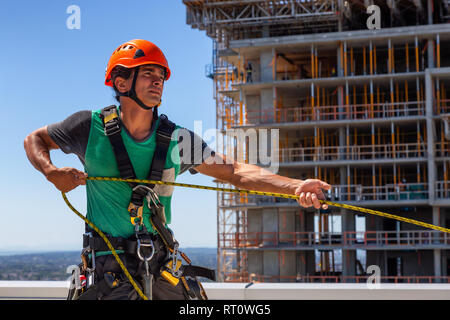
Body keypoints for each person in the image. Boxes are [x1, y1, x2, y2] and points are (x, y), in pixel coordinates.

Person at [23, 39, 331, 300]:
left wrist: (294, 186)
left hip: (158, 265)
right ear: (120, 82)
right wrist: (51, 172)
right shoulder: (88, 127)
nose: (158, 81)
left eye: (161, 75)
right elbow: (34, 139)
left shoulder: (177, 139)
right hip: (109, 269)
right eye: (147, 74)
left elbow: (235, 171)